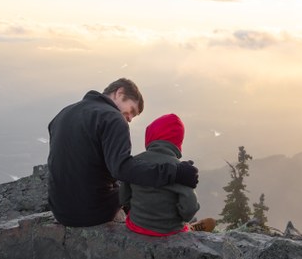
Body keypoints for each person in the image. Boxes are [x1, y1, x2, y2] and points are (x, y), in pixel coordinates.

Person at [47, 78, 199, 227]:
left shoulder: (63, 114)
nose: (130, 119)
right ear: (119, 93)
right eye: (131, 111)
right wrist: (175, 173)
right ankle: (171, 227)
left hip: (60, 211)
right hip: (90, 213)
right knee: (137, 188)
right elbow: (122, 169)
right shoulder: (113, 117)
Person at [120, 113, 215, 236]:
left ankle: (190, 227)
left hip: (136, 226)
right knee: (185, 226)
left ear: (150, 136)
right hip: (169, 232)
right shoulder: (181, 171)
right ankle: (191, 229)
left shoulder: (135, 162)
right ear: (177, 142)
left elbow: (123, 198)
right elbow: (189, 211)